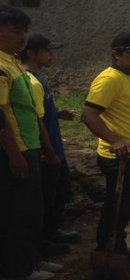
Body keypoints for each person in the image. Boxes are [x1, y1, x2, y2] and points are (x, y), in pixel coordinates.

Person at [81, 32, 130, 275]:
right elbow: (89, 115)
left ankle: (119, 249)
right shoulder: (109, 79)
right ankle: (108, 252)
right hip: (120, 158)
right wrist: (114, 140)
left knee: (127, 206)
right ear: (116, 54)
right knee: (116, 208)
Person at [0, 6, 61, 280]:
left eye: (25, 31)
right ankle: (18, 269)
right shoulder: (1, 67)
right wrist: (14, 155)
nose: (23, 37)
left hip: (30, 147)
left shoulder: (13, 63)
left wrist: (46, 151)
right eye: (16, 31)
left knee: (32, 210)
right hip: (16, 150)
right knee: (19, 213)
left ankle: (30, 259)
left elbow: (31, 113)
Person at [22, 34, 80, 256]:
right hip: (49, 151)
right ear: (32, 53)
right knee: (48, 197)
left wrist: (57, 114)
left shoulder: (38, 78)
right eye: (47, 51)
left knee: (61, 192)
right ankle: (44, 240)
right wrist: (49, 153)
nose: (51, 55)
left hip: (56, 149)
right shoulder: (32, 81)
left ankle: (53, 231)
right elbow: (35, 121)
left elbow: (42, 114)